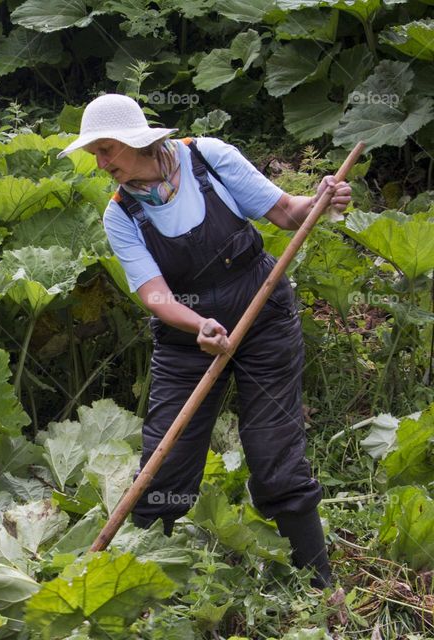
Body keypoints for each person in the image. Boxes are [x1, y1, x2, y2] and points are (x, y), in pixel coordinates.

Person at [57, 94, 352, 588]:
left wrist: (321, 202)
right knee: (165, 462)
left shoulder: (208, 159)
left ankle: (318, 586)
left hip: (265, 322)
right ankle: (141, 583)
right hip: (186, 339)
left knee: (274, 454)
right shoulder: (121, 215)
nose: (102, 163)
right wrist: (198, 326)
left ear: (136, 140)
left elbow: (284, 212)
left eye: (107, 149)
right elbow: (154, 295)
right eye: (95, 155)